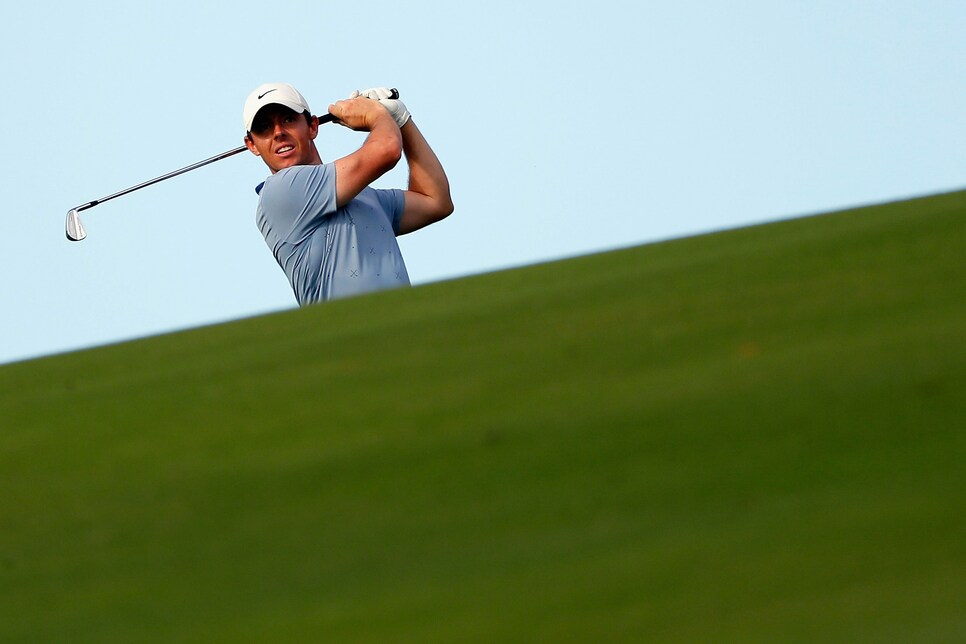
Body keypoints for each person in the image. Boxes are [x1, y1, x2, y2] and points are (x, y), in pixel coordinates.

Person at [242, 83, 453, 304]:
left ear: (313, 126)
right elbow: (387, 150)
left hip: (402, 331)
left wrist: (402, 121)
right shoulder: (280, 192)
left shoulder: (365, 197)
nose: (278, 133)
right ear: (252, 145)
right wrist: (376, 115)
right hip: (344, 335)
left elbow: (436, 201)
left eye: (288, 120)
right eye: (264, 128)